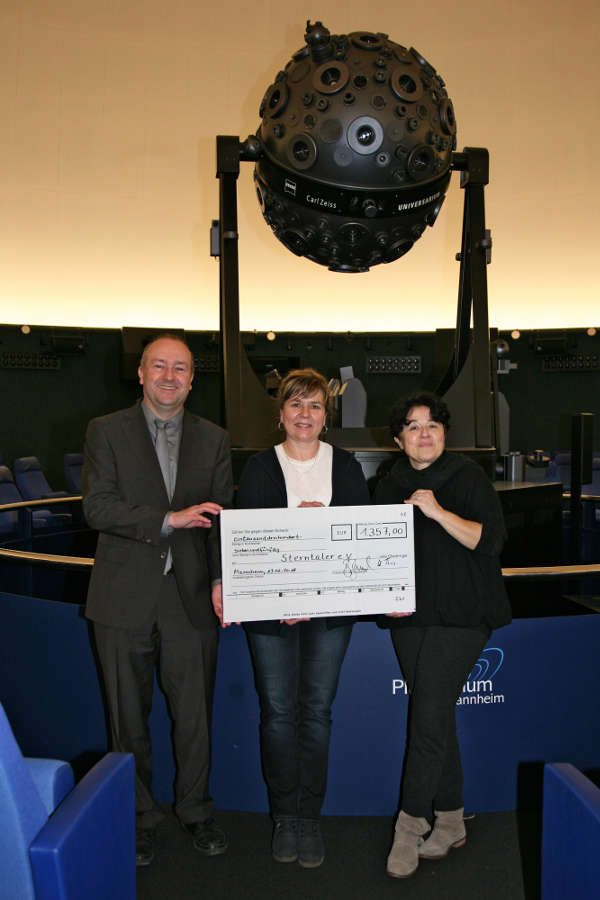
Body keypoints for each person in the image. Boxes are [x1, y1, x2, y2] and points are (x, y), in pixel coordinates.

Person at [83, 333, 233, 867]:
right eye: (159, 366)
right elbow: (97, 508)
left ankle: (195, 810)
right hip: (122, 598)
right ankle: (139, 816)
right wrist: (166, 521)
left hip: (189, 598)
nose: (170, 376)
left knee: (195, 717)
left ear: (193, 379)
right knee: (128, 718)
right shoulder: (106, 431)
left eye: (181, 368)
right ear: (141, 374)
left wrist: (222, 580)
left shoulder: (214, 439)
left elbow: (220, 522)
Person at [233, 368, 370, 869]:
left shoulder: (347, 465)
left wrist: (325, 524)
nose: (305, 415)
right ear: (281, 413)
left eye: (314, 406)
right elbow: (248, 542)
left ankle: (309, 818)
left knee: (316, 713)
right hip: (271, 613)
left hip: (331, 612)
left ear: (325, 415)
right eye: (296, 405)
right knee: (278, 713)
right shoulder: (258, 467)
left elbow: (358, 537)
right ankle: (283, 817)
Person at [373, 391, 511, 879]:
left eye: (432, 425)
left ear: (445, 432)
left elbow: (490, 541)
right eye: (413, 426)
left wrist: (436, 511)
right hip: (409, 618)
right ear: (398, 438)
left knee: (427, 718)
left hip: (464, 616)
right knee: (437, 720)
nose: (424, 433)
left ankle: (408, 827)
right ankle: (451, 819)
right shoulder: (386, 486)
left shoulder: (467, 477)